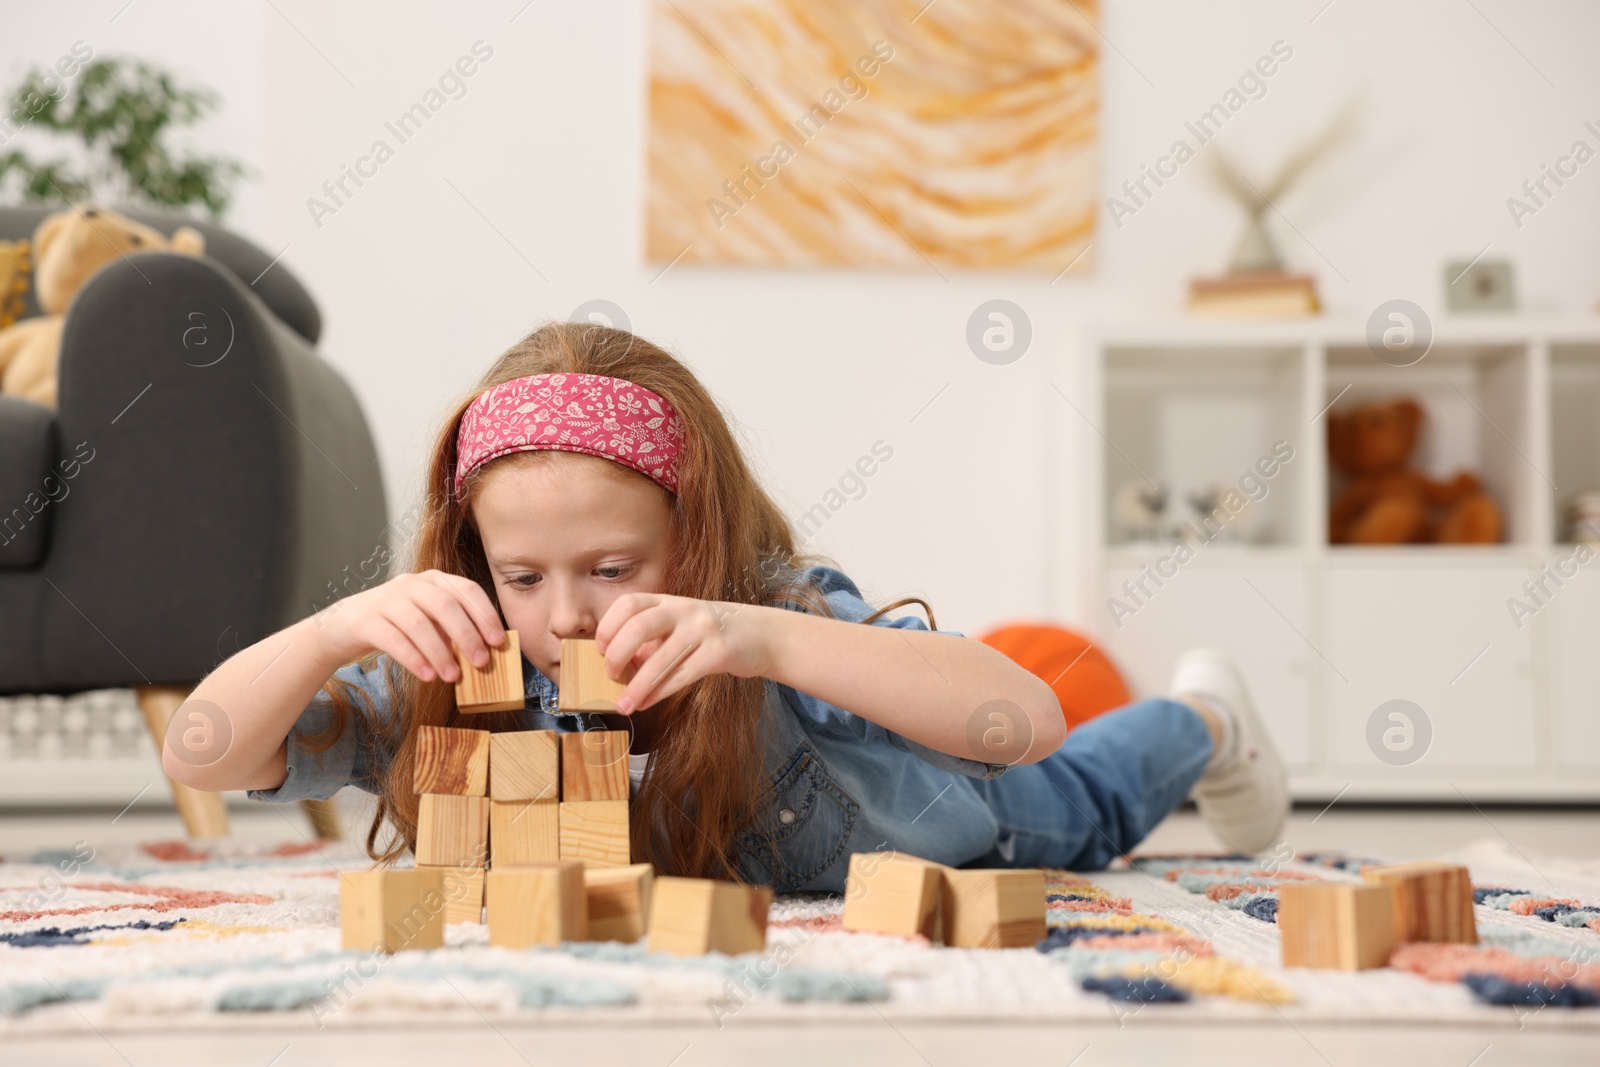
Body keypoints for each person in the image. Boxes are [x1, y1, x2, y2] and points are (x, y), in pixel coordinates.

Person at [166, 321, 1289, 890]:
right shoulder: (456, 666)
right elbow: (203, 754)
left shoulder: (767, 614)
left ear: (692, 537)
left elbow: (1025, 718)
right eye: (523, 577)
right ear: (476, 561)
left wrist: (759, 639)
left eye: (612, 568)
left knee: (1086, 797)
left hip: (969, 825)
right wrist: (327, 630)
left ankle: (1210, 716)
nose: (567, 616)